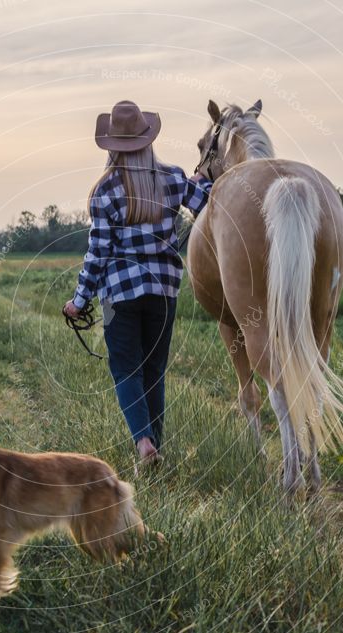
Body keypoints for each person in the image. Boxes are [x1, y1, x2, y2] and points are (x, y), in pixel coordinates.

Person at [63, 100, 212, 463]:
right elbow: (207, 203)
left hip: (120, 296)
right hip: (163, 291)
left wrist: (79, 301)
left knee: (125, 368)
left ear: (112, 145)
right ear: (147, 140)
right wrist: (203, 180)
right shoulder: (174, 178)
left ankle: (144, 444)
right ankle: (155, 444)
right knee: (154, 371)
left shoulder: (105, 191)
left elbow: (98, 254)